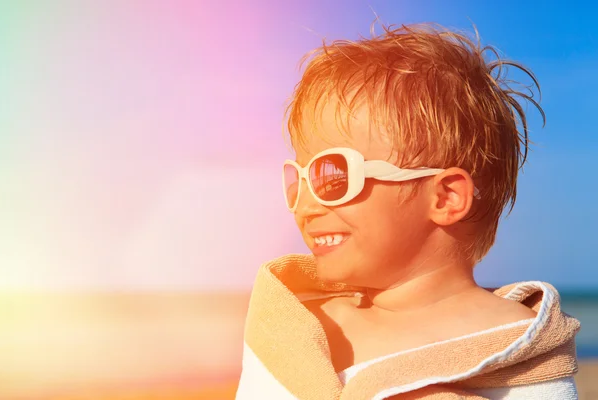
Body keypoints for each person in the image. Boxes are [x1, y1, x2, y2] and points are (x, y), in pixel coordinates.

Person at [236, 22, 580, 400]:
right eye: (297, 178)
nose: (305, 204)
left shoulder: (522, 351)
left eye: (332, 175)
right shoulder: (296, 329)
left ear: (446, 197)